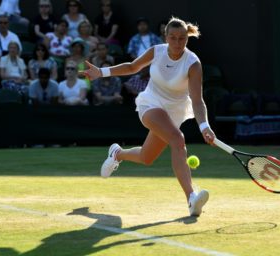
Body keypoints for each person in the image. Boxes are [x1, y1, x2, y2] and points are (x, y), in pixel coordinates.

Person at [81, 17, 216, 217]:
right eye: (173, 38)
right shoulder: (157, 51)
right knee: (178, 140)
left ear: (187, 39)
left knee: (146, 157)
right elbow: (131, 67)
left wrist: (204, 125)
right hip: (151, 104)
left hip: (175, 112)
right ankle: (191, 198)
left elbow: (197, 100)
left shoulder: (193, 64)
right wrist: (101, 72)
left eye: (182, 39)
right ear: (166, 37)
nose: (177, 43)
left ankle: (117, 154)